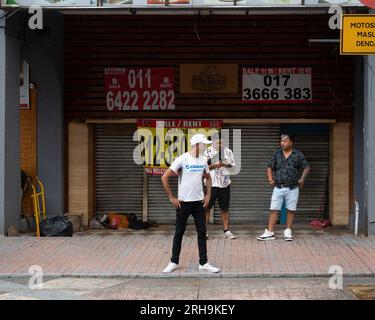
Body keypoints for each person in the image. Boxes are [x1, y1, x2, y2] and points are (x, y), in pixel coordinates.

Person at [161, 133, 220, 274]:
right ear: (197, 144)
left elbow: (208, 177)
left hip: (199, 203)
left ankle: (204, 263)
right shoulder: (182, 159)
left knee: (202, 232)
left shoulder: (203, 160)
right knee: (179, 232)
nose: (205, 146)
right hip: (183, 203)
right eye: (204, 144)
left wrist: (208, 195)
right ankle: (174, 261)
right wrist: (172, 197)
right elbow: (165, 177)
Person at [257, 133, 310, 241]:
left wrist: (302, 179)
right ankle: (270, 232)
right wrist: (270, 179)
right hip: (278, 187)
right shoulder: (277, 154)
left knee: (291, 210)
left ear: (291, 142)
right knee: (273, 209)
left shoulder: (297, 154)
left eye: (285, 141)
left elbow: (306, 167)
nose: (282, 143)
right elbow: (269, 167)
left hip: (293, 188)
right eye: (281, 141)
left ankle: (288, 231)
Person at [204, 135, 236, 239]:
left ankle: (226, 231)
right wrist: (214, 165)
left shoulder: (228, 151)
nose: (220, 145)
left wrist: (225, 163)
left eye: (222, 142)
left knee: (225, 208)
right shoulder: (206, 152)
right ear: (212, 142)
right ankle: (203, 232)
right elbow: (203, 167)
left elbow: (233, 164)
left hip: (224, 183)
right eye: (218, 143)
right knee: (206, 208)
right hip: (211, 184)